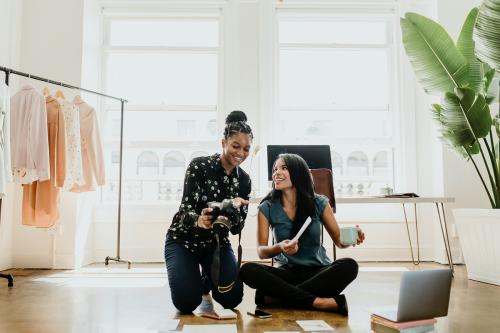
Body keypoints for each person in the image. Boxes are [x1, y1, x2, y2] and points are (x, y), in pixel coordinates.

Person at [240, 153, 365, 315]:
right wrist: (280, 247)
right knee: (247, 269)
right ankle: (318, 302)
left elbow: (339, 241)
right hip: (286, 273)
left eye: (283, 168)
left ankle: (278, 299)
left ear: (298, 173)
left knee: (349, 265)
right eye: (275, 169)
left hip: (318, 272)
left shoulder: (319, 202)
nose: (276, 173)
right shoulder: (267, 207)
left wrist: (353, 237)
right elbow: (262, 252)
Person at [164, 110, 253, 313]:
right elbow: (185, 211)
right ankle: (194, 276)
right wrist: (200, 220)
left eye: (246, 148)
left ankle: (206, 277)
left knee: (232, 299)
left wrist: (234, 211)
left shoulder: (245, 180)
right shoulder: (199, 166)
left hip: (216, 244)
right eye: (235, 146)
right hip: (183, 241)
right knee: (186, 303)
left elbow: (237, 229)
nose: (241, 153)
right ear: (223, 143)